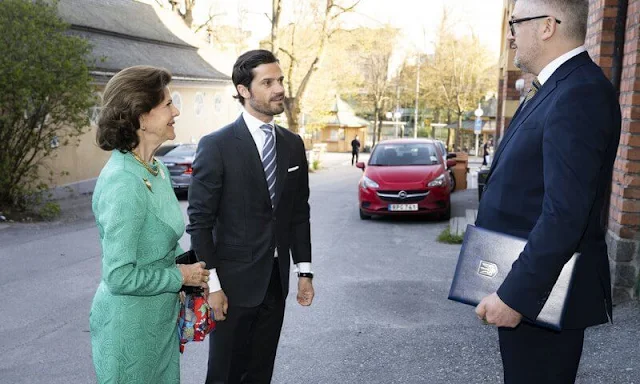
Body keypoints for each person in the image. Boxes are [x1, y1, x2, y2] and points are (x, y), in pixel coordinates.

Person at [474, 1, 620, 383]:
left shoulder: (579, 93)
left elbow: (565, 214)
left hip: (543, 302)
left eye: (515, 22)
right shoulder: (554, 88)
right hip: (531, 291)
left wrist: (515, 297)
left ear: (547, 26)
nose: (510, 32)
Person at [187, 49, 315, 384]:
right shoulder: (216, 145)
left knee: (260, 373)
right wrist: (211, 285)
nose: (279, 89)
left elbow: (299, 213)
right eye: (268, 82)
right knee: (225, 374)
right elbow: (200, 222)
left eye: (281, 80)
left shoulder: (292, 144)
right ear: (244, 90)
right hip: (231, 285)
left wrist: (305, 272)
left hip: (276, 282)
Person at [90, 66, 210, 383]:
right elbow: (118, 276)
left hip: (159, 322)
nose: (177, 111)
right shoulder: (123, 183)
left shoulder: (155, 169)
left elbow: (165, 242)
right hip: (129, 331)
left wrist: (189, 275)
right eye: (168, 104)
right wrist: (179, 275)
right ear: (142, 116)